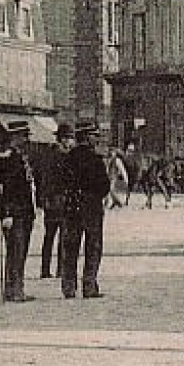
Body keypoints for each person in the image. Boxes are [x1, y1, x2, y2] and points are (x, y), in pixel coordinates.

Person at [61, 122, 111, 299]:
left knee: (71, 247)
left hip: (72, 207)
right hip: (91, 208)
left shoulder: (68, 158)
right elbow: (104, 186)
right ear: (87, 137)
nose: (96, 138)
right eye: (93, 135)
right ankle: (89, 286)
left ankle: (69, 287)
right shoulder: (95, 159)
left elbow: (61, 182)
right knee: (93, 247)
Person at [0, 121, 37, 303]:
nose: (26, 139)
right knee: (15, 251)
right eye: (24, 136)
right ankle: (13, 290)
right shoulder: (7, 159)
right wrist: (6, 213)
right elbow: (5, 189)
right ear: (15, 137)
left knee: (20, 252)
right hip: (15, 213)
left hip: (25, 212)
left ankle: (16, 288)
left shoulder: (20, 157)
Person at [36, 124, 74, 279]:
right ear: (63, 139)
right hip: (61, 200)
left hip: (49, 201)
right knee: (63, 237)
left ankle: (45, 269)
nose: (71, 142)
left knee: (49, 236)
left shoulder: (47, 154)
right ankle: (61, 269)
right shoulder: (64, 155)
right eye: (70, 138)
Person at [120, 141, 141, 208]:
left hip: (131, 173)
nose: (131, 151)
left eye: (132, 150)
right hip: (126, 172)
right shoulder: (125, 156)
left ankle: (126, 200)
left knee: (129, 187)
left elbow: (136, 166)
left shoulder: (133, 158)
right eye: (129, 149)